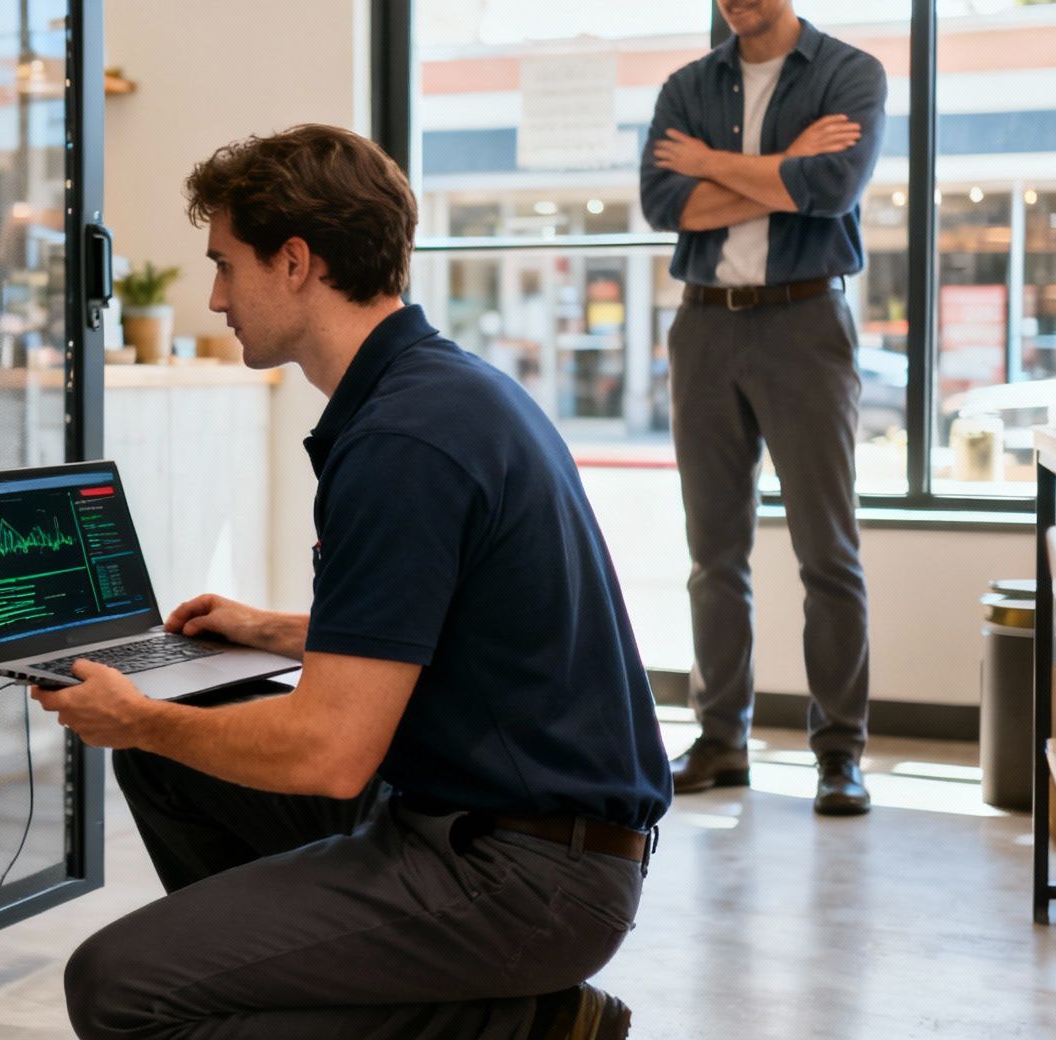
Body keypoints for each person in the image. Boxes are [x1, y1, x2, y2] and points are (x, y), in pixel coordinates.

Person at [34, 124, 670, 1040]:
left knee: (118, 987)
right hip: (509, 828)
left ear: (295, 261)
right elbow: (454, 621)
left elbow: (331, 754)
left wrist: (136, 714)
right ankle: (289, 971)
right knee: (168, 761)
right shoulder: (441, 391)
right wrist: (279, 632)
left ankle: (518, 1024)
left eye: (225, 265)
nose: (214, 297)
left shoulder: (402, 445)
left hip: (525, 877)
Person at [638, 0, 887, 816]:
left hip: (805, 325)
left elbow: (833, 191)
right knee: (715, 554)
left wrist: (720, 166)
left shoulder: (850, 75)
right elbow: (664, 204)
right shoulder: (687, 87)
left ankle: (839, 752)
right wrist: (775, 167)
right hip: (704, 326)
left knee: (828, 550)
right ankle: (721, 739)